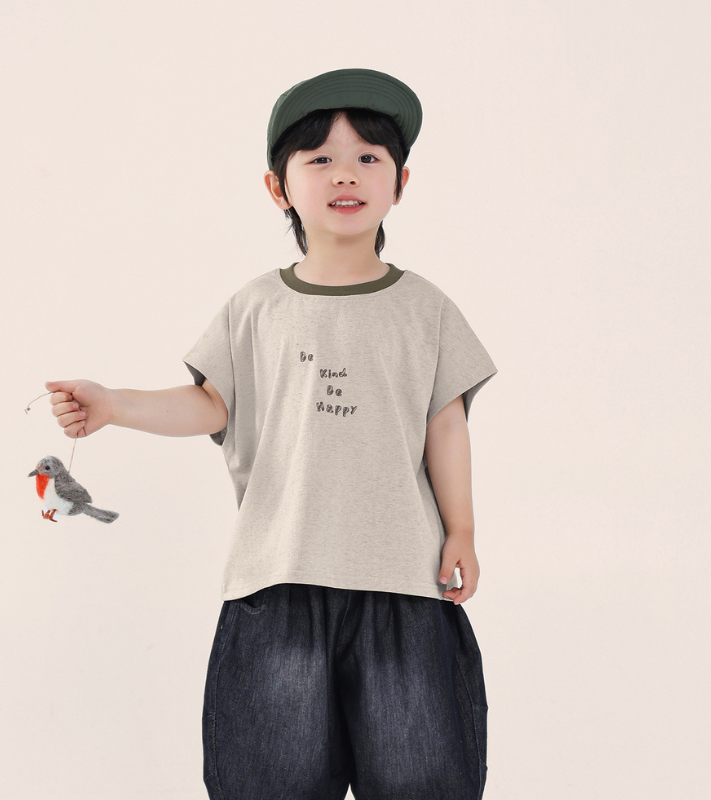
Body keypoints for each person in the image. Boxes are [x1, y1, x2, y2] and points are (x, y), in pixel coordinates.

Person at [46, 67, 497, 800]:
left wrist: (463, 531)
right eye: (319, 158)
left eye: (368, 157)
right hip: (278, 581)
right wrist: (114, 405)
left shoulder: (426, 308)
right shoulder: (256, 306)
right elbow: (211, 405)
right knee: (268, 780)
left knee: (422, 775)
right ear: (277, 187)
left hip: (404, 585)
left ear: (401, 182)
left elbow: (445, 422)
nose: (344, 173)